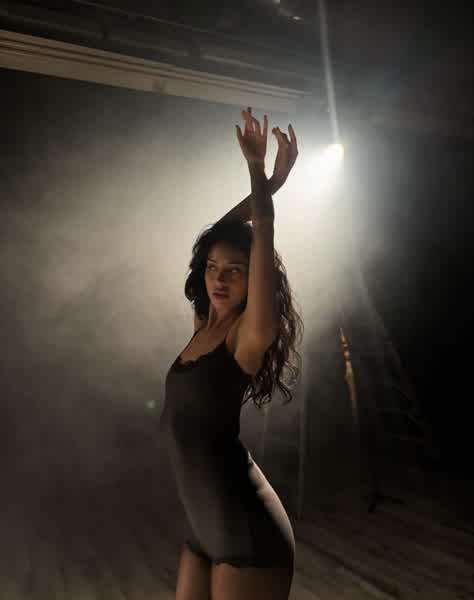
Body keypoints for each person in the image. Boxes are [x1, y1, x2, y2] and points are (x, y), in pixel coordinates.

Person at [159, 107, 303, 599]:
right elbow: (217, 234)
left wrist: (259, 170)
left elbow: (261, 228)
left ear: (254, 278)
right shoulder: (205, 324)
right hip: (203, 530)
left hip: (247, 532)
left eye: (235, 270)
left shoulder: (249, 334)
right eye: (212, 267)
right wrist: (274, 183)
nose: (218, 278)